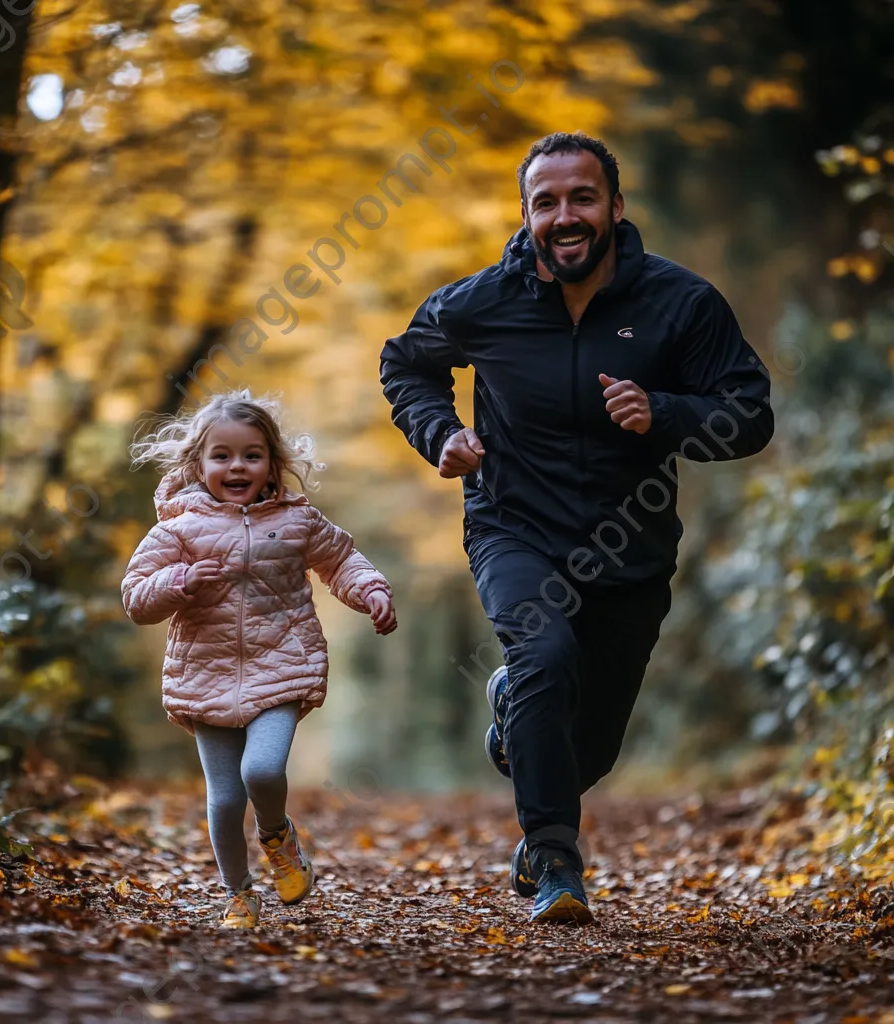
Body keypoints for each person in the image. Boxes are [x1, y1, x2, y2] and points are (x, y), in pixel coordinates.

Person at [380, 132, 773, 925]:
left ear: (615, 209)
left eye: (581, 198)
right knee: (546, 656)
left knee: (588, 749)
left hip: (631, 547)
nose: (564, 215)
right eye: (546, 202)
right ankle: (555, 861)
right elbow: (405, 363)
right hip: (512, 528)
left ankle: (514, 717)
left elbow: (751, 414)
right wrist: (441, 435)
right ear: (527, 215)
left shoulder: (680, 303)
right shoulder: (482, 302)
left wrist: (663, 413)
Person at [121, 390, 396, 928]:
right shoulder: (176, 529)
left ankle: (277, 836)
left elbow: (341, 561)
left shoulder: (297, 521)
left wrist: (371, 591)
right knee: (224, 800)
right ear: (198, 464)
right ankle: (239, 893)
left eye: (251, 454)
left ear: (272, 463)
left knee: (262, 770)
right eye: (221, 455)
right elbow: (136, 597)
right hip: (205, 675)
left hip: (282, 666)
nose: (236, 466)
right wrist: (178, 581)